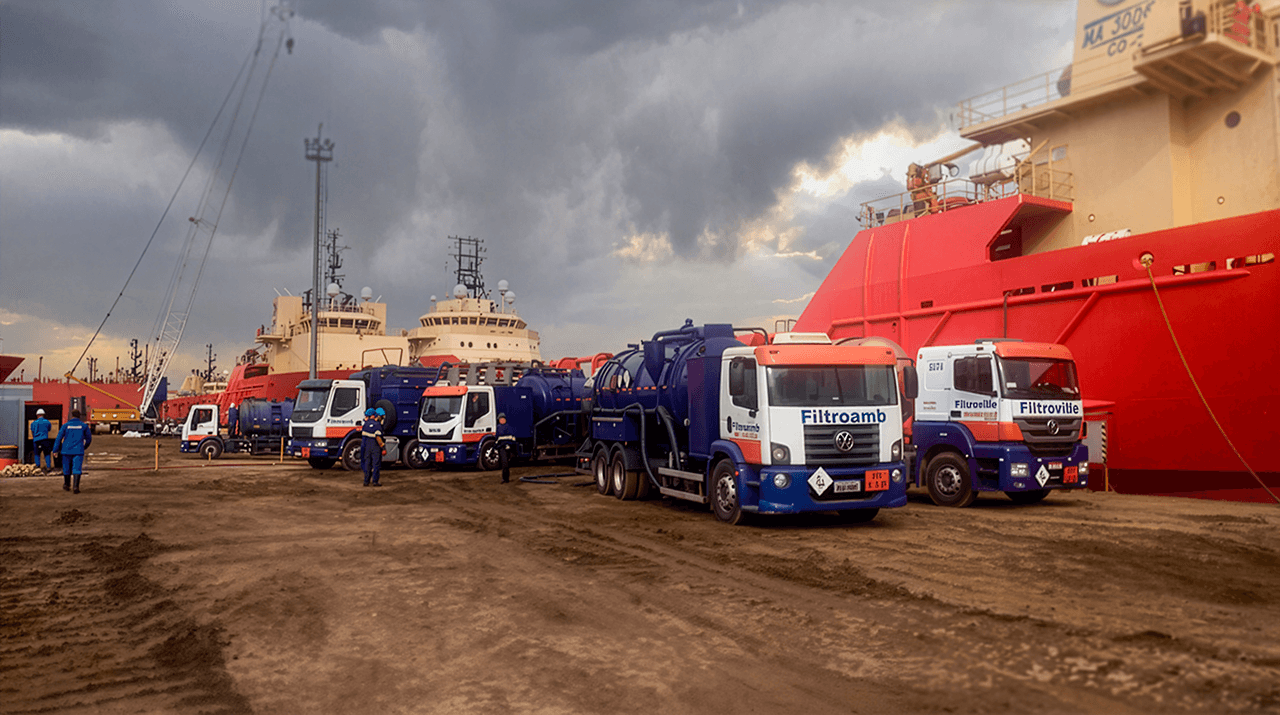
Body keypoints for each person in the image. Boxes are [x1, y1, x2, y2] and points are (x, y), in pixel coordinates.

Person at [52, 409, 92, 494]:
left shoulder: (65, 426)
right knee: (77, 468)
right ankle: (75, 487)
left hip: (66, 450)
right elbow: (89, 439)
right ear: (79, 416)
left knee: (66, 468)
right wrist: (84, 447)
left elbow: (58, 438)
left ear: (71, 415)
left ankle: (66, 485)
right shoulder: (84, 426)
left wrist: (55, 450)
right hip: (78, 450)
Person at [360, 407, 386, 487]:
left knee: (367, 464)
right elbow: (379, 439)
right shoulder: (377, 425)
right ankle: (375, 481)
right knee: (376, 464)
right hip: (375, 448)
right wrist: (383, 448)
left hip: (366, 447)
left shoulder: (365, 425)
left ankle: (366, 481)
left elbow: (363, 439)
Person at [30, 408, 54, 473]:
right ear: (43, 415)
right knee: (47, 453)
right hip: (45, 440)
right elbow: (49, 429)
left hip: (36, 440)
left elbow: (32, 431)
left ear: (37, 415)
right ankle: (48, 467)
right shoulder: (47, 422)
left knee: (37, 454)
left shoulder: (33, 423)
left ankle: (38, 467)